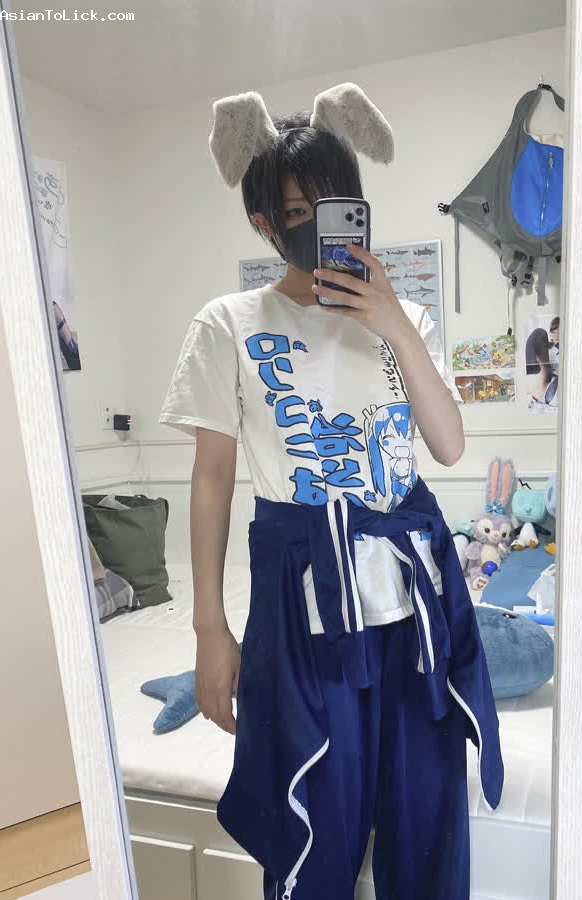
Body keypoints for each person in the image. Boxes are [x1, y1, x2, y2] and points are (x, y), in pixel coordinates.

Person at [159, 83, 503, 900]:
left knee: (425, 812)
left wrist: (392, 323)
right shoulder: (227, 323)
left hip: (413, 601)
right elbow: (212, 477)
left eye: (337, 202)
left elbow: (448, 446)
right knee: (314, 815)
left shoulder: (403, 317)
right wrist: (210, 630)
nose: (321, 221)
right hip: (301, 593)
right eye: (298, 210)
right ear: (264, 224)